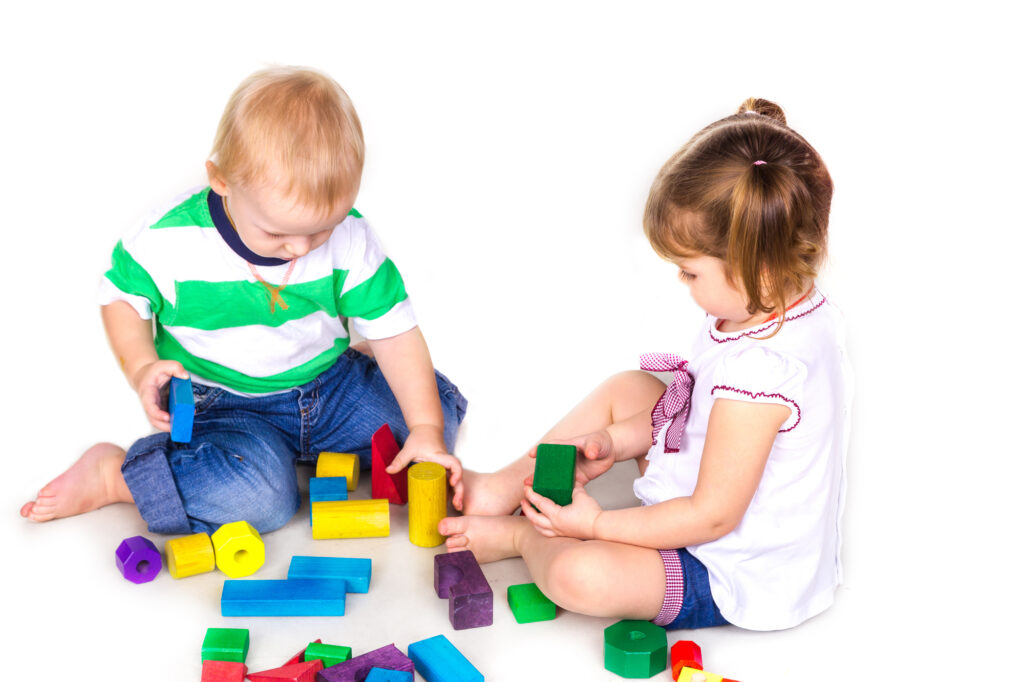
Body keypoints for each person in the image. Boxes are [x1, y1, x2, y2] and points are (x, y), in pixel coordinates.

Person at [443, 98, 851, 632]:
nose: (682, 284)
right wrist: (620, 441)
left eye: (690, 272)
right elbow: (699, 407)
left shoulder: (762, 372)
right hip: (715, 482)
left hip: (728, 563)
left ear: (762, 269)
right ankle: (507, 485)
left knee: (578, 574)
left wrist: (597, 525)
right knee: (628, 388)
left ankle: (523, 534)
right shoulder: (770, 308)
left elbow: (712, 517)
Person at [21, 67, 467, 534]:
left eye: (322, 229)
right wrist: (139, 365)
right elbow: (120, 300)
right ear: (221, 180)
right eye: (277, 232)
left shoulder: (353, 238)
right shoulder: (169, 240)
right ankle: (115, 476)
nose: (300, 248)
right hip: (219, 400)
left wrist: (426, 431)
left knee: (433, 416)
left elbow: (396, 332)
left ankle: (312, 440)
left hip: (324, 384)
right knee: (263, 501)